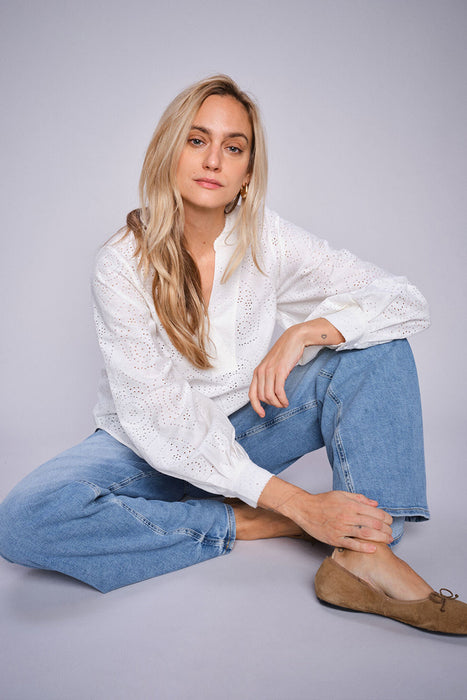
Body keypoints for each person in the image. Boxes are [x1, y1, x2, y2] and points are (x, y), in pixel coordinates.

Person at [0, 75, 465, 634]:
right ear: (169, 151)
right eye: (197, 140)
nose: (213, 160)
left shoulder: (267, 238)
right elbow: (161, 420)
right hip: (140, 445)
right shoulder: (121, 264)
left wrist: (304, 333)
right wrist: (296, 506)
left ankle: (365, 553)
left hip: (247, 430)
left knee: (378, 346)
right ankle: (254, 523)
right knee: (25, 521)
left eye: (234, 147)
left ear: (247, 172)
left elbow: (402, 300)